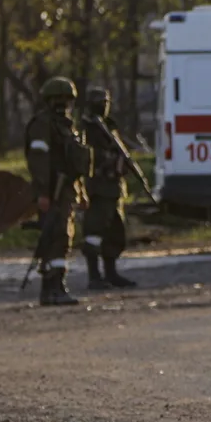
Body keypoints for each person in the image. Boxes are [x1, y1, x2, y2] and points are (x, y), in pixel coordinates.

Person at [24, 76, 92, 306]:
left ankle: (58, 285)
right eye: (58, 99)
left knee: (64, 236)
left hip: (67, 190)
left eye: (66, 100)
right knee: (54, 235)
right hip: (52, 190)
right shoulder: (42, 125)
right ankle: (51, 288)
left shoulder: (68, 127)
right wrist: (43, 192)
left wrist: (81, 192)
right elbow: (38, 160)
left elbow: (74, 163)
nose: (62, 104)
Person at [80, 87, 137, 290]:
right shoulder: (86, 128)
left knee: (115, 233)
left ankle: (111, 273)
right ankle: (94, 276)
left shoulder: (108, 127)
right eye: (100, 102)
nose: (104, 106)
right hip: (96, 188)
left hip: (113, 189)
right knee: (94, 233)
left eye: (106, 102)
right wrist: (111, 161)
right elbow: (87, 157)